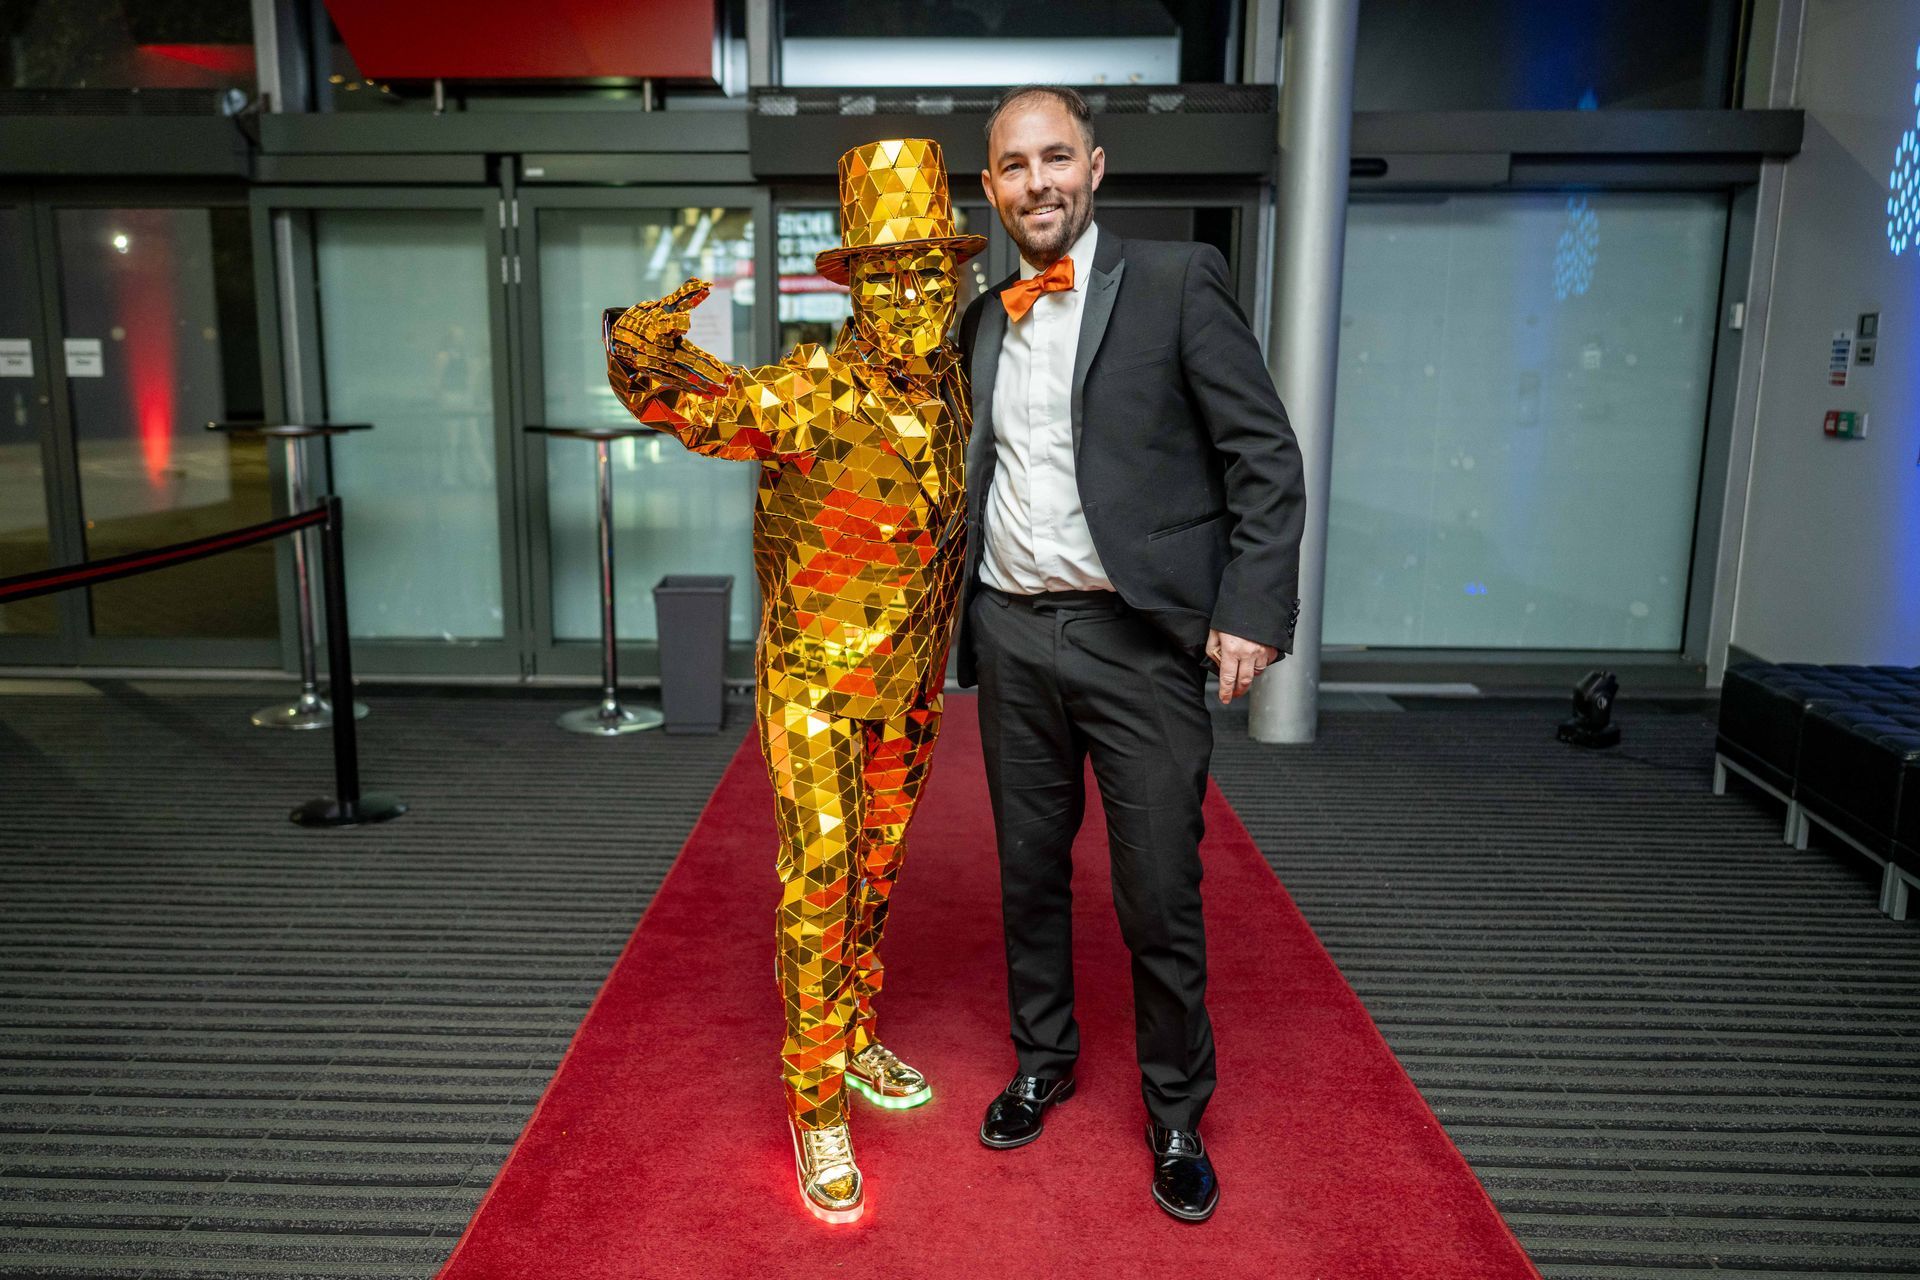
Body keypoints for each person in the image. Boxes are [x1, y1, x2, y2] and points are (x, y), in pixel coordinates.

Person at [604, 138, 984, 1225]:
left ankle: (853, 1035)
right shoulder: (813, 389)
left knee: (875, 878)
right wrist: (643, 351)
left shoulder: (956, 385)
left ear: (953, 280)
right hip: (815, 688)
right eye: (886, 276)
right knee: (821, 887)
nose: (912, 297)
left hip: (909, 689)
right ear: (854, 287)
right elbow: (709, 406)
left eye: (928, 273)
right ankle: (814, 1102)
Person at [956, 85, 1307, 1224]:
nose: (1038, 183)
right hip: (1013, 629)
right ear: (991, 188)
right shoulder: (981, 318)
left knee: (1158, 888)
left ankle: (1175, 1110)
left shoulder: (1176, 280)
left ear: (1096, 167)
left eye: (1057, 158)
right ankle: (1043, 1059)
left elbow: (1265, 456)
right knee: (1027, 871)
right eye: (1016, 166)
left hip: (1137, 638)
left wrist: (1250, 607)